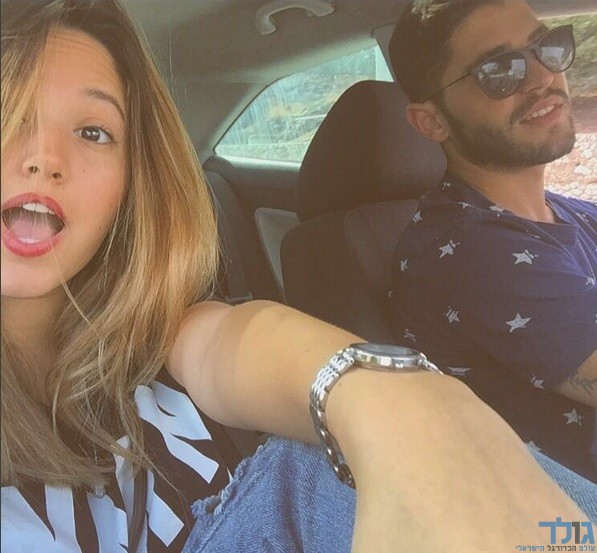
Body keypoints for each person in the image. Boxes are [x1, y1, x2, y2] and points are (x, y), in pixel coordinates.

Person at [0, 1, 595, 552]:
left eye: (93, 132)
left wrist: (403, 402)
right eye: (5, 109)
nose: (44, 158)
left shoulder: (157, 340)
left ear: (129, 184)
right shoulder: (464, 249)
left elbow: (233, 339)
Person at [389, 0, 597, 482]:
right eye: (499, 69)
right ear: (432, 122)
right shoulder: (466, 251)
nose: (543, 76)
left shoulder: (567, 211)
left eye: (547, 47)